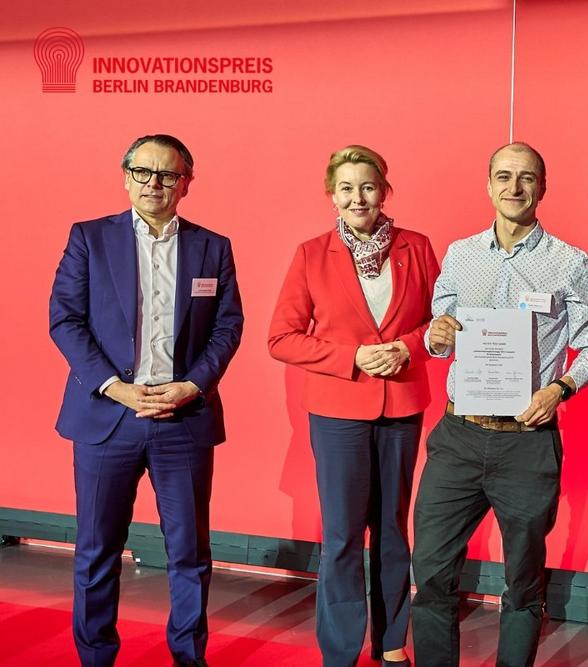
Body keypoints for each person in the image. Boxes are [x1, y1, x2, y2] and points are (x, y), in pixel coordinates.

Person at [410, 142, 588, 666]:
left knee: (522, 583)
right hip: (458, 437)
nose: (514, 187)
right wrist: (436, 335)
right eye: (503, 176)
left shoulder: (570, 263)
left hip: (527, 443)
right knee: (430, 573)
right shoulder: (460, 255)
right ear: (489, 185)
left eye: (526, 178)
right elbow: (439, 332)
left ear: (542, 187)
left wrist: (559, 389)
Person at [49, 134, 244, 667]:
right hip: (108, 416)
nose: (154, 183)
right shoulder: (89, 238)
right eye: (142, 172)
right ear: (125, 176)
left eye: (167, 174)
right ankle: (96, 657)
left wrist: (193, 385)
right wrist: (115, 386)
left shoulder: (212, 247)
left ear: (186, 183)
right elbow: (65, 320)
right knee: (96, 552)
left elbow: (227, 327)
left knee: (190, 554)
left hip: (184, 417)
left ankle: (188, 657)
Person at [268, 145, 439, 667]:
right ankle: (340, 652)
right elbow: (282, 338)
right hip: (337, 412)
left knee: (392, 530)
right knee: (343, 535)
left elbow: (441, 322)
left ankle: (392, 643)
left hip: (401, 407)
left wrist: (406, 348)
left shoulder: (417, 247)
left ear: (384, 191)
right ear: (332, 195)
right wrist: (353, 357)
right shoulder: (311, 254)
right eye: (346, 188)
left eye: (367, 186)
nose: (357, 197)